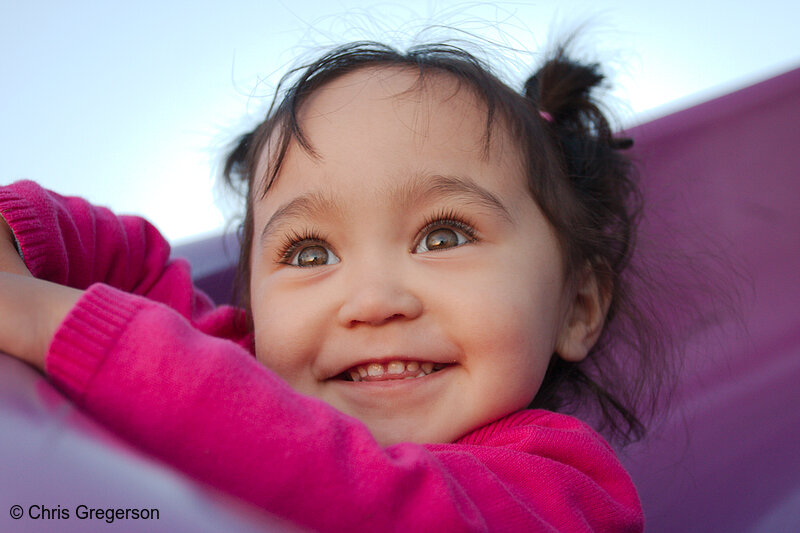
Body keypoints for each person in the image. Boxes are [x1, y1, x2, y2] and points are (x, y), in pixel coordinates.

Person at [0, 41, 665, 531]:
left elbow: (370, 496)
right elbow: (134, 267)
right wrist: (17, 234)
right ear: (255, 300)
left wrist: (47, 321)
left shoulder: (565, 491)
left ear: (576, 306)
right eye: (310, 251)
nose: (373, 300)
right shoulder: (247, 361)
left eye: (444, 235)